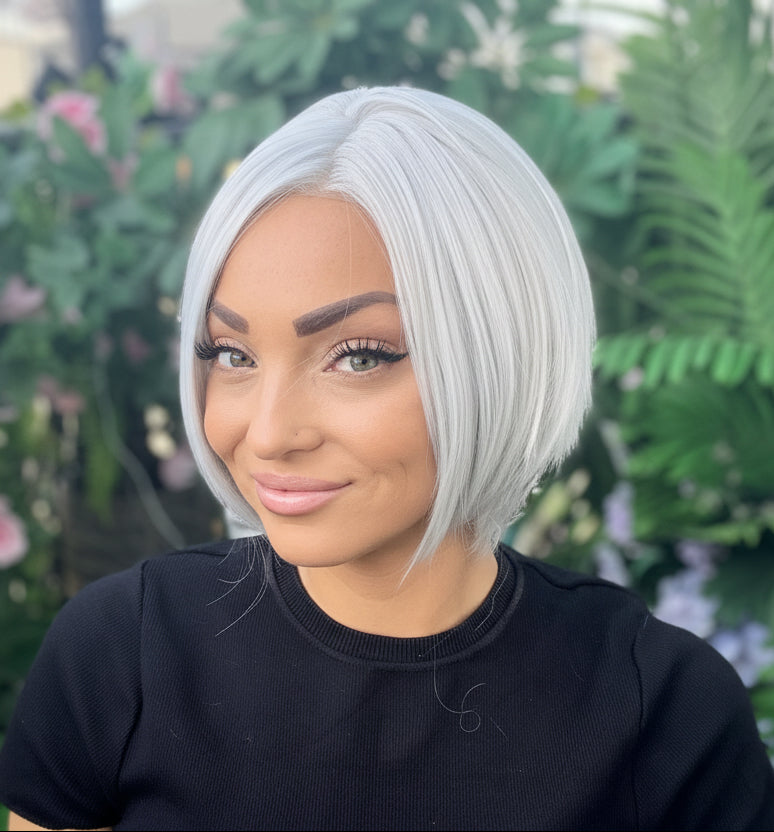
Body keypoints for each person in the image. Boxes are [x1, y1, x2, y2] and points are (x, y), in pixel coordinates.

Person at [1, 86, 772, 832]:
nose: (269, 434)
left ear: (500, 355)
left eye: (359, 356)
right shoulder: (122, 652)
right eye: (232, 354)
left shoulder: (664, 711)